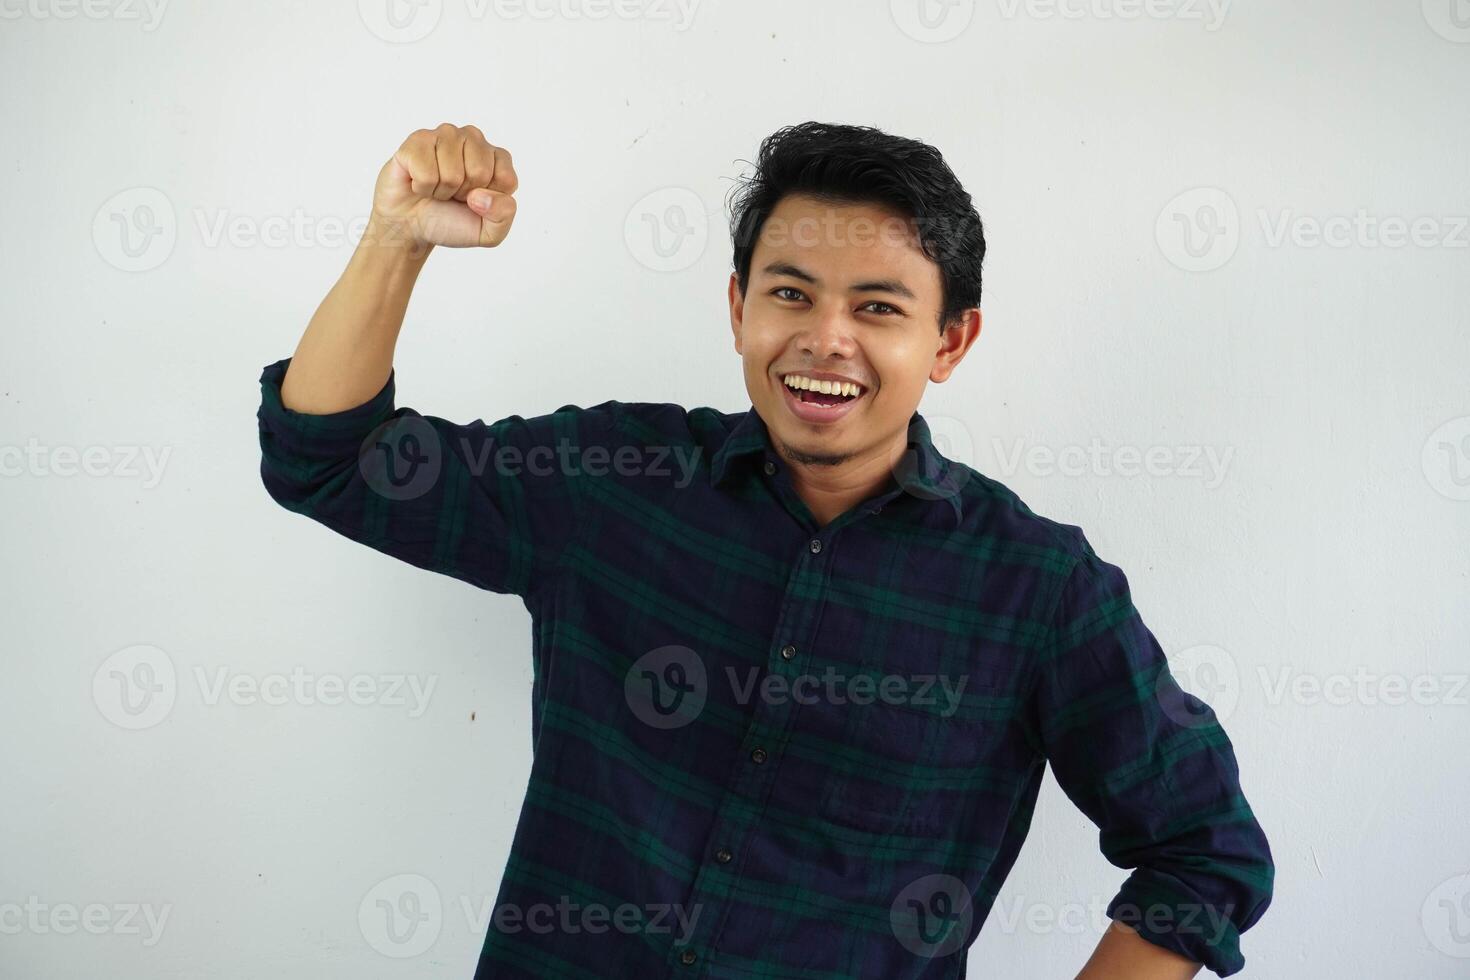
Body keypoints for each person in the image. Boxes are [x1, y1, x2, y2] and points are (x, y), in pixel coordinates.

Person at [256, 120, 1273, 978]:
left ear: (951, 342)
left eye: (878, 307)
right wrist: (397, 238)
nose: (826, 338)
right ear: (739, 306)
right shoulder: (617, 478)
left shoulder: (1038, 589)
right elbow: (330, 459)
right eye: (790, 293)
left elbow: (1205, 847)